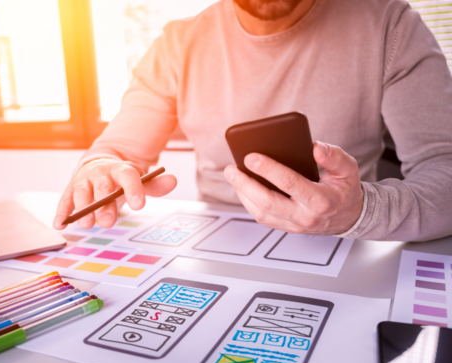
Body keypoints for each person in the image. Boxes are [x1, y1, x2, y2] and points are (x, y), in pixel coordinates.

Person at [54, 0, 452, 242]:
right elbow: (119, 149)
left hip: (349, 244)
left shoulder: (390, 25)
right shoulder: (178, 43)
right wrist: (98, 167)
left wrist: (361, 212)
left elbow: (444, 167)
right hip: (219, 246)